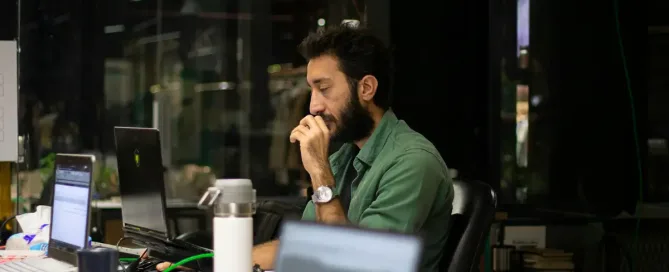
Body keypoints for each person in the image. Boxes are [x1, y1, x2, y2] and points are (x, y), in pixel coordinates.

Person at [157, 25, 454, 272]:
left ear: (366, 88)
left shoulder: (413, 162)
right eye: (311, 90)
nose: (313, 105)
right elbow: (305, 248)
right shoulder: (345, 157)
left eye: (324, 89)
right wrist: (209, 267)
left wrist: (320, 175)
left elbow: (357, 264)